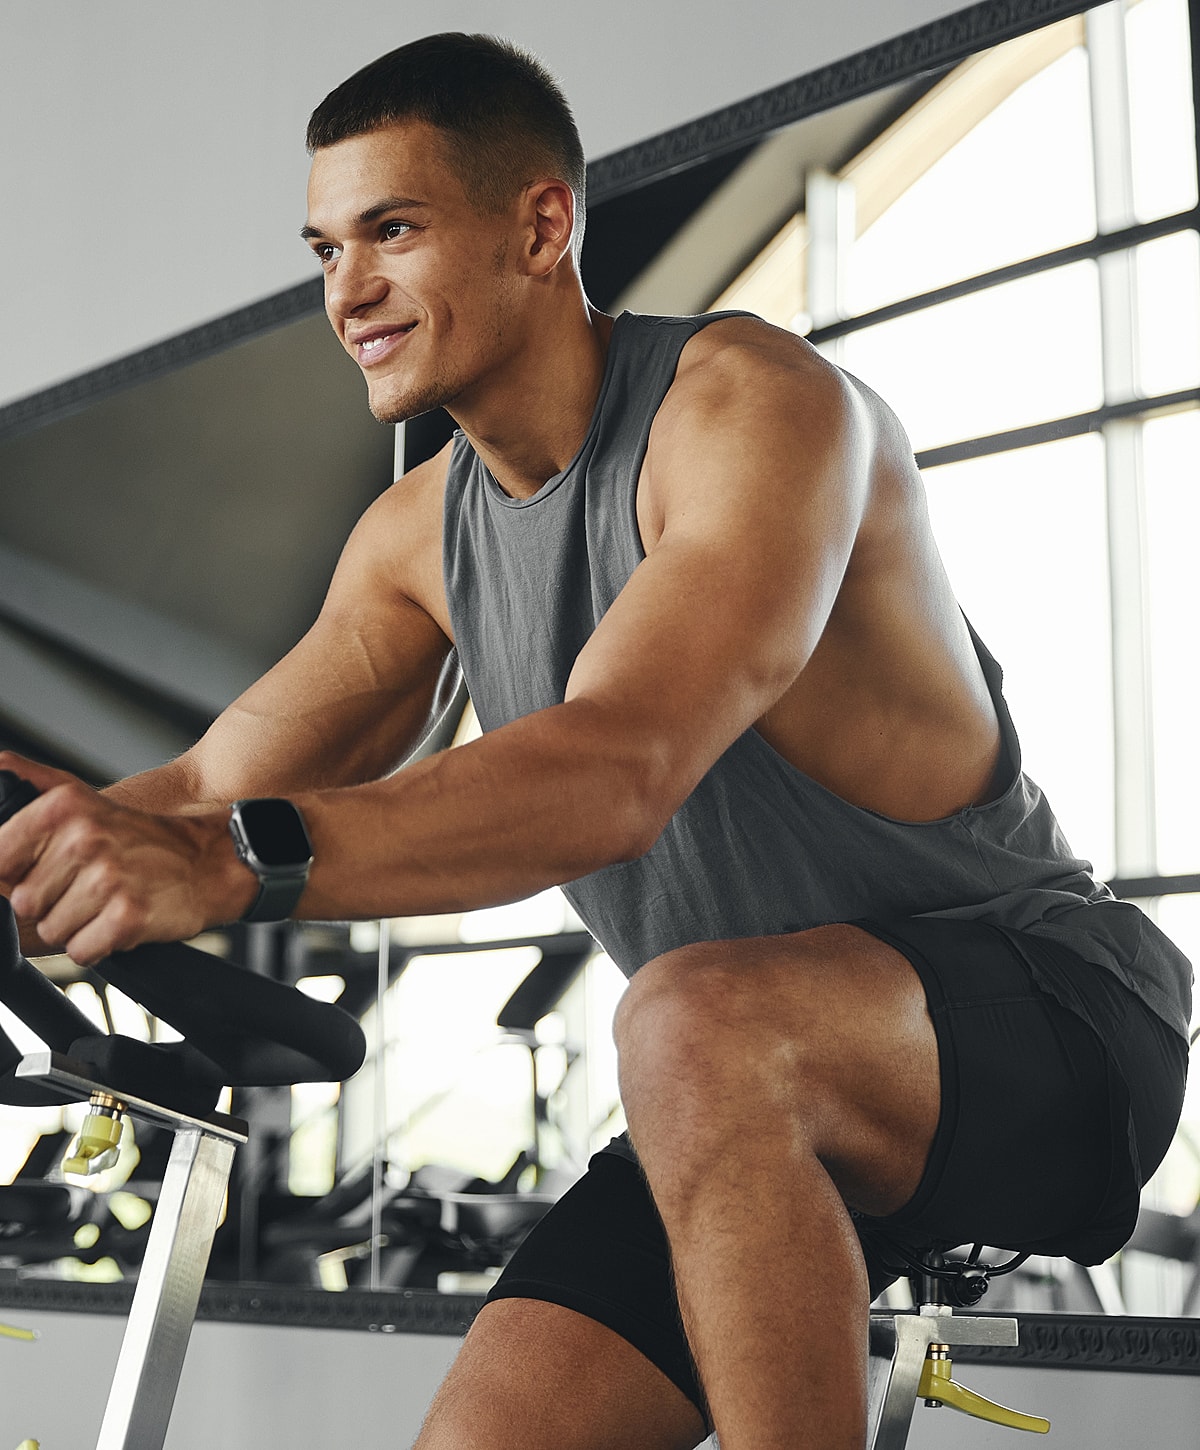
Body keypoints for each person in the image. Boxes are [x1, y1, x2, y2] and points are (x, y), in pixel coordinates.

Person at [0, 32, 1191, 1450]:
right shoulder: (413, 539)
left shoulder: (749, 410)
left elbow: (615, 764)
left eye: (392, 231)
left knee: (686, 1018)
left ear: (542, 225)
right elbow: (207, 784)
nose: (348, 290)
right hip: (747, 1083)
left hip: (1051, 1024)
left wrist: (230, 867)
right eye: (324, 249)